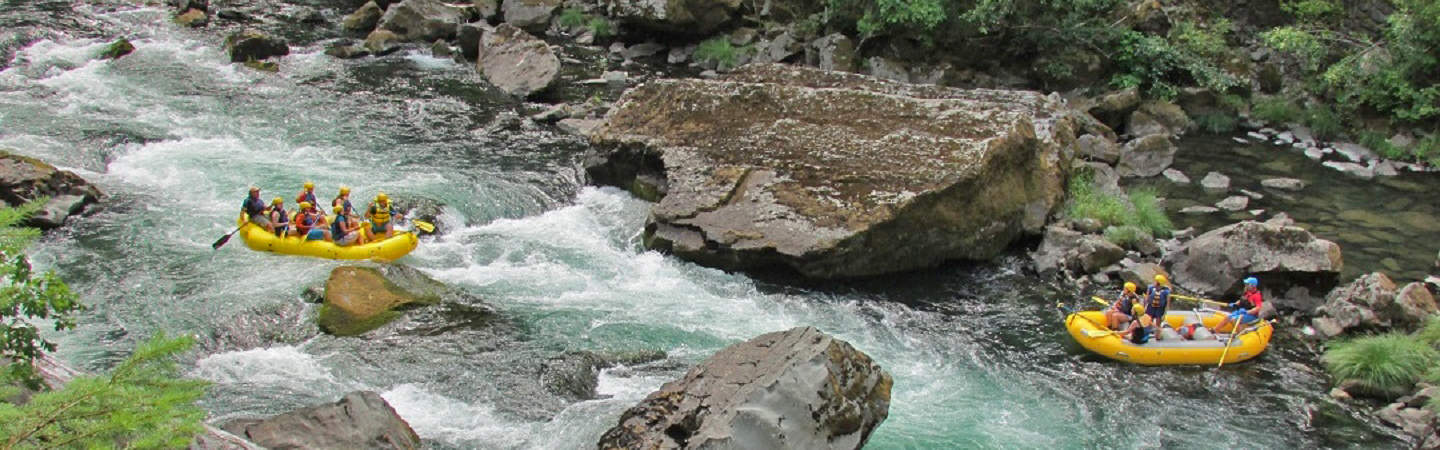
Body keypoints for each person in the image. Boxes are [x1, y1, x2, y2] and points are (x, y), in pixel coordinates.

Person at [1144, 274, 1172, 340]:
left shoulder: (1166, 292)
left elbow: (1167, 304)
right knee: (1148, 321)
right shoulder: (1151, 288)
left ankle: (1157, 337)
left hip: (1159, 309)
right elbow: (1147, 298)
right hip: (1151, 308)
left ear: (1159, 283)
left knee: (1158, 323)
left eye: (1155, 281)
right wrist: (1144, 307)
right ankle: (1146, 335)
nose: (1154, 282)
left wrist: (1165, 314)